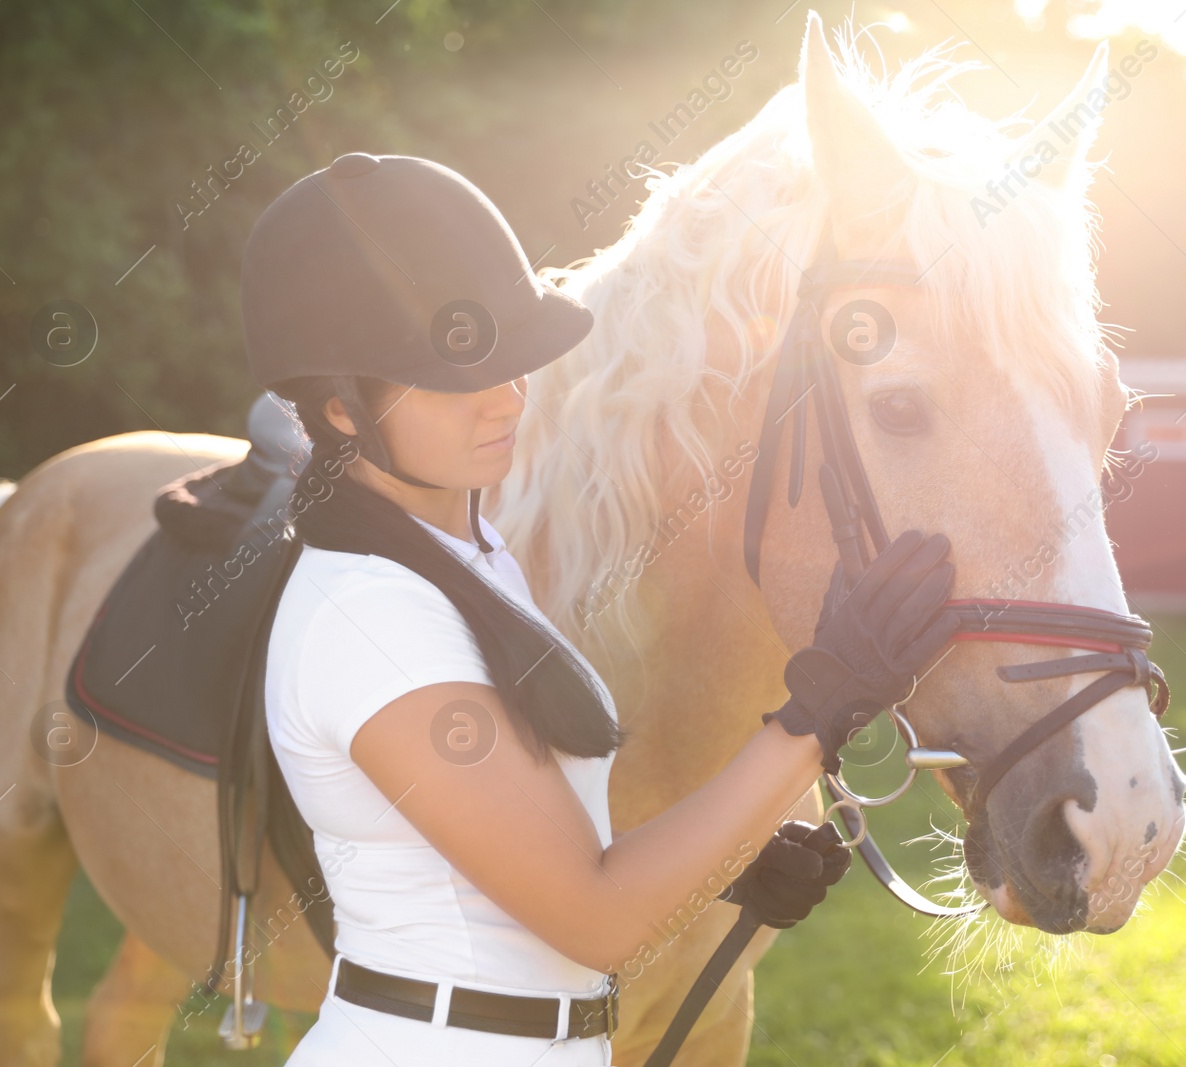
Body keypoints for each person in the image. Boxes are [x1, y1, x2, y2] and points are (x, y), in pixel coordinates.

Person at [244, 153, 958, 1065]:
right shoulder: (374, 618)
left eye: (514, 359)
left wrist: (720, 869)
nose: (509, 396)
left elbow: (520, 844)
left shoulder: (467, 553)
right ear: (342, 411)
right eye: (459, 373)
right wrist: (818, 714)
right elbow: (593, 916)